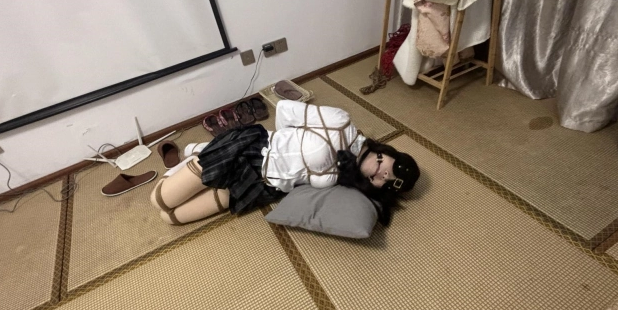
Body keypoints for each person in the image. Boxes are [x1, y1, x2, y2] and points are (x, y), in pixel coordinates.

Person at [150, 100, 420, 226]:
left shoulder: (349, 180)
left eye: (383, 181)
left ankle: (198, 154)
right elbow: (285, 109)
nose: (382, 175)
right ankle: (199, 154)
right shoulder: (340, 123)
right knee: (159, 201)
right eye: (387, 169)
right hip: (250, 151)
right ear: (387, 152)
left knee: (171, 218)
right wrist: (282, 143)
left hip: (261, 186)